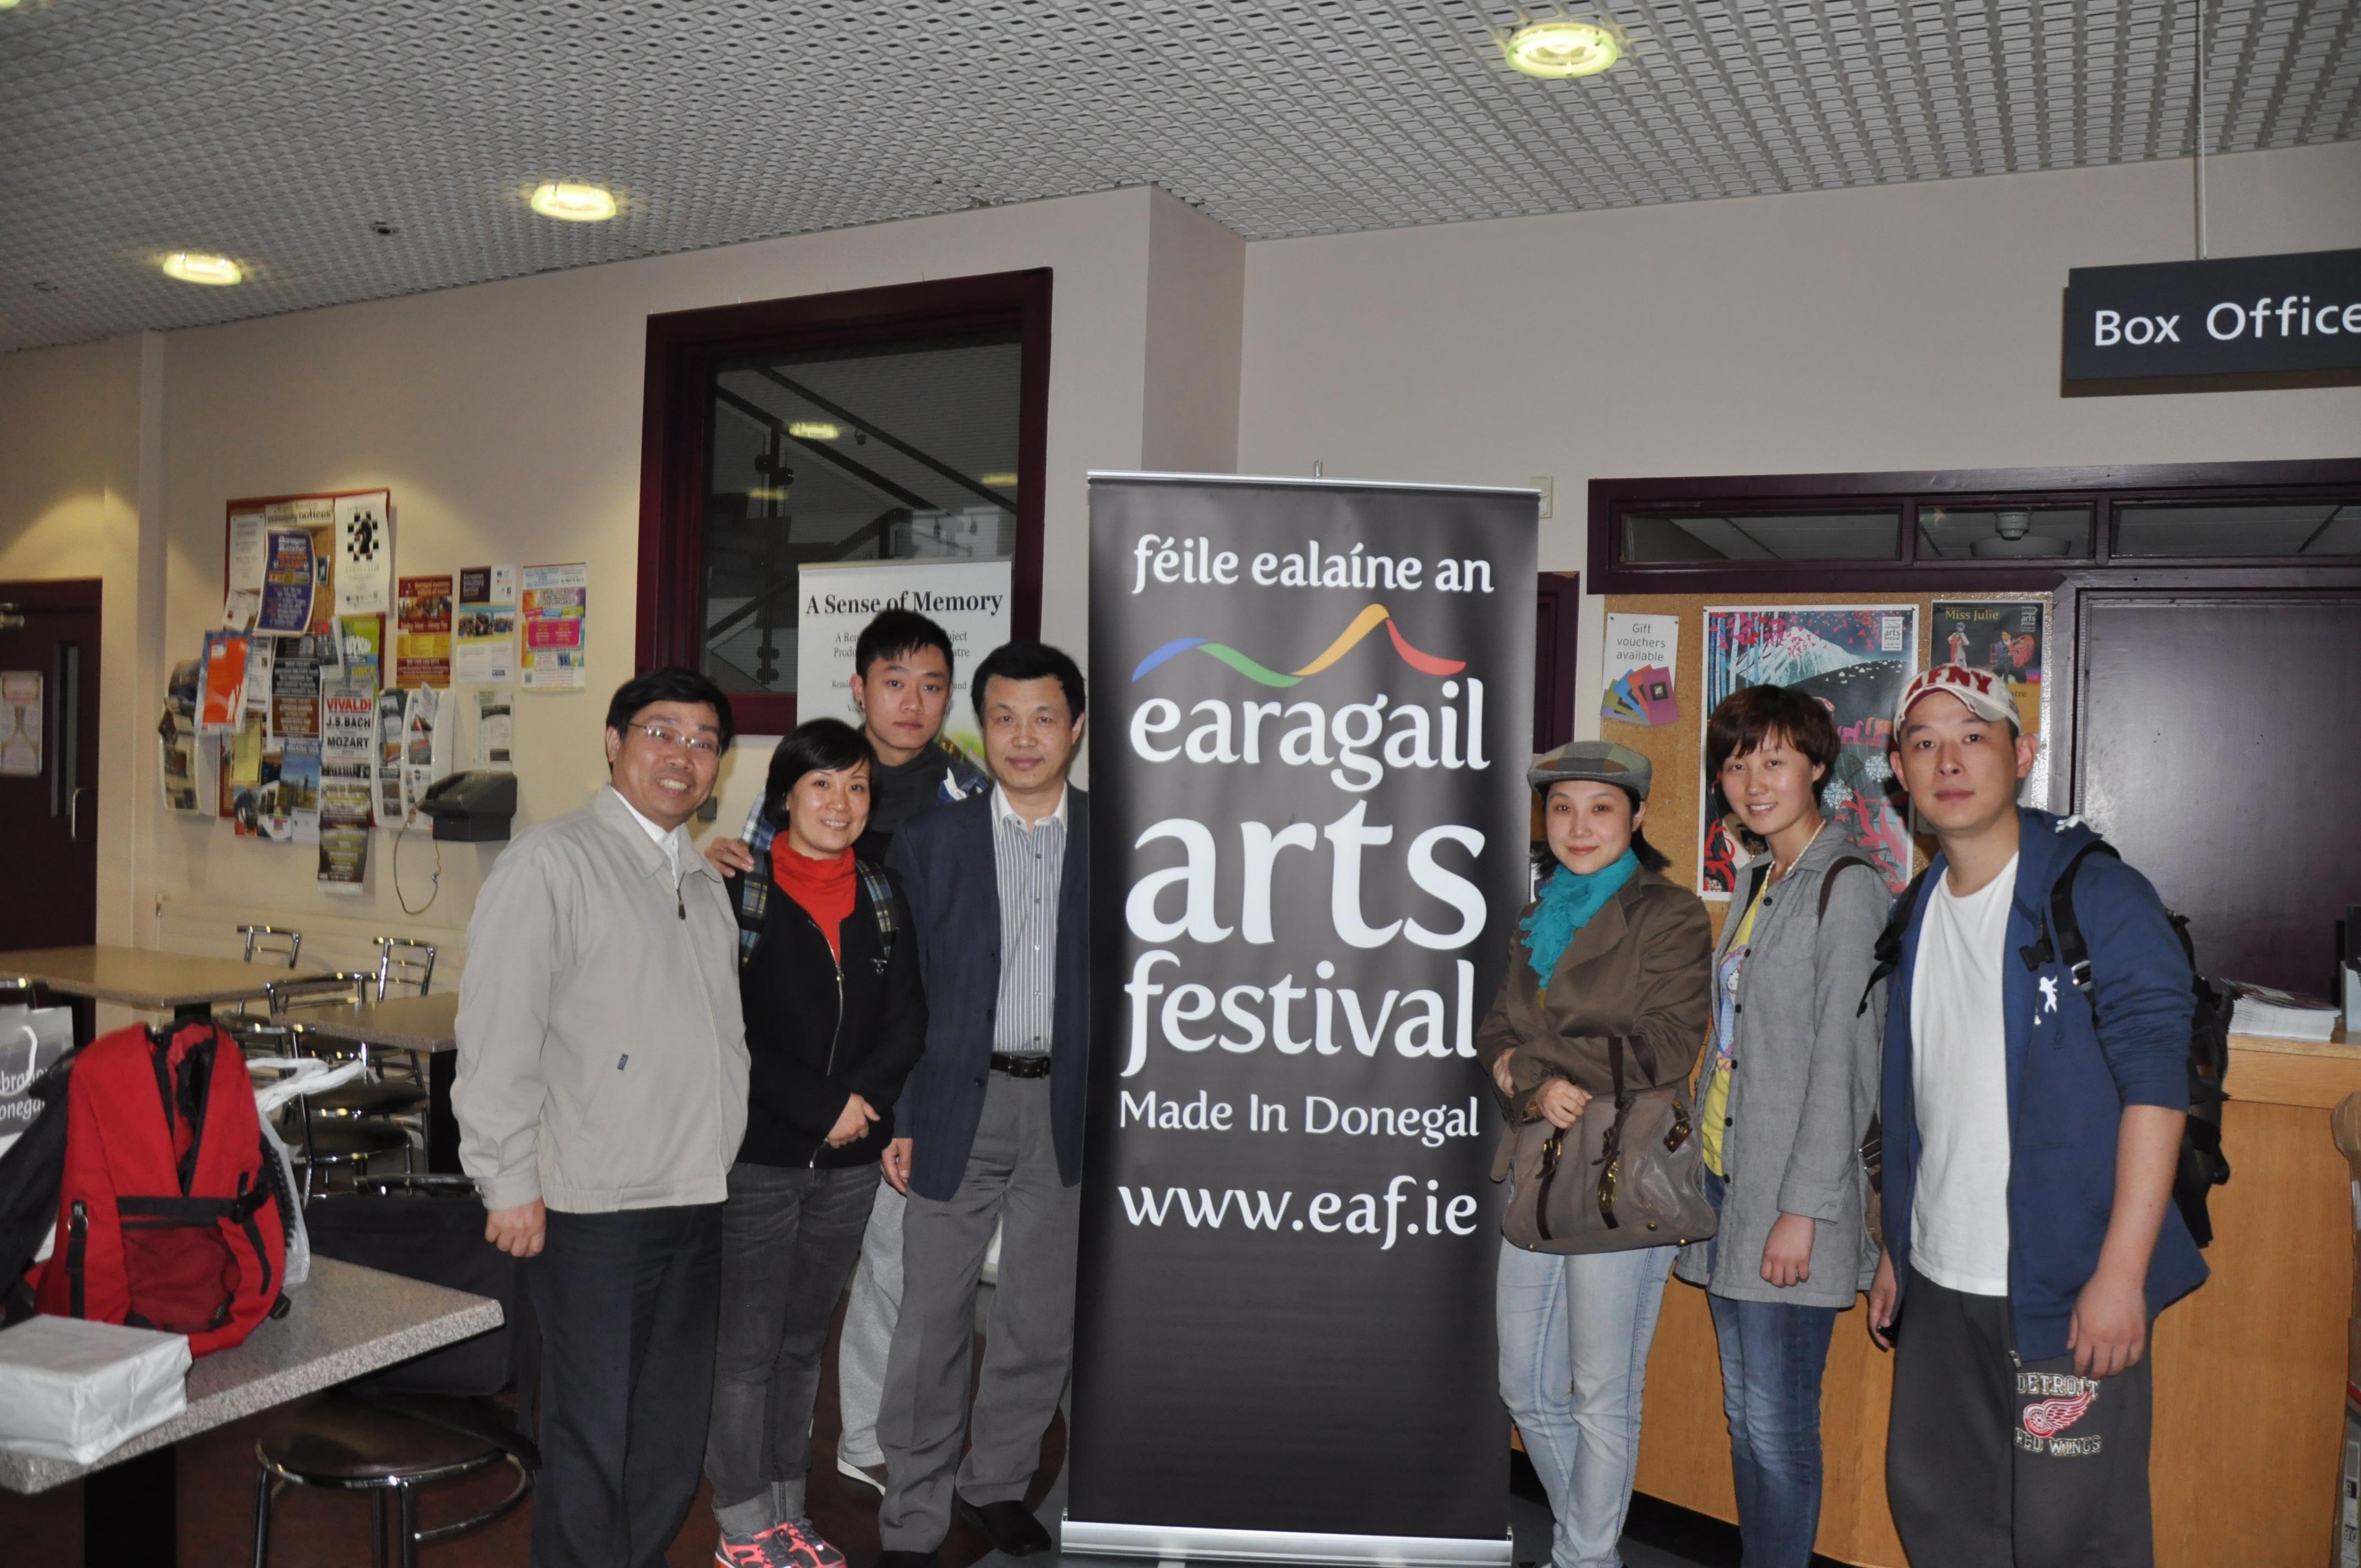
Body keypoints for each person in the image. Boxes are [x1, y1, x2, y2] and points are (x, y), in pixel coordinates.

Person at [1868, 664, 2205, 1568]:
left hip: (2068, 1285)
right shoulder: (1917, 909)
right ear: (1899, 771)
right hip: (1941, 1279)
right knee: (1942, 1515)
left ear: (2024, 755)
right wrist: (1897, 1243)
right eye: (1924, 742)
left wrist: (2121, 1274)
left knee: (2072, 1536)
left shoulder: (2098, 896)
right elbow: (1918, 1097)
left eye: (1974, 737)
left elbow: (2158, 1088)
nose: (1949, 761)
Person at [455, 668, 748, 1568]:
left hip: (694, 1194)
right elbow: (498, 1033)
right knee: (591, 1435)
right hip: (594, 1207)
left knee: (667, 1433)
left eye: (704, 742)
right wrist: (506, 1178)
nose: (683, 756)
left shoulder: (702, 880)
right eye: (662, 733)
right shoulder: (551, 863)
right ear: (615, 743)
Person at [704, 608, 987, 1495]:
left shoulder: (969, 793)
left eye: (932, 685)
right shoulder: (800, 792)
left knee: (895, 1275)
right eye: (895, 682)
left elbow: (941, 973)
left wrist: (876, 1097)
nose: (913, 702)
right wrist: (709, 866)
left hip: (909, 1074)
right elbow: (741, 969)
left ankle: (863, 1438)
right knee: (761, 1330)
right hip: (782, 1111)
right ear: (861, 687)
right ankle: (758, 1493)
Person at [873, 641, 1090, 1568]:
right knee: (931, 1320)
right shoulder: (933, 841)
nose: (1023, 737)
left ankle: (996, 1481)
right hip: (955, 1104)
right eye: (1004, 717)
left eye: (1044, 717)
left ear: (1076, 729)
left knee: (1039, 1318)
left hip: (1068, 1111)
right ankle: (912, 1509)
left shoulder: (1120, 841)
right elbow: (904, 993)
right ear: (983, 727)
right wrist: (903, 1116)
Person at [1477, 741, 1713, 1568]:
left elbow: (1667, 1047)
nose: (1579, 826)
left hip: (1623, 1171)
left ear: (1637, 817)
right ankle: (1594, 1554)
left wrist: (1540, 1065)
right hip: (1541, 1165)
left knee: (1601, 1395)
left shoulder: (1671, 914)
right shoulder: (1534, 917)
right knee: (1524, 1387)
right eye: (1563, 808)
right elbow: (1495, 1035)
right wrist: (1531, 1087)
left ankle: (1580, 1558)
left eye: (1601, 808)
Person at [704, 719, 927, 1568]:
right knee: (746, 1353)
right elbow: (724, 1028)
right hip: (758, 1159)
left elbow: (909, 1016)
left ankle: (787, 1510)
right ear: (785, 798)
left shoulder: (883, 893)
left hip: (849, 1164)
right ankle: (741, 1525)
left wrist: (861, 1107)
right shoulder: (739, 892)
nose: (841, 802)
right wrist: (822, 1106)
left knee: (803, 1344)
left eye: (857, 786)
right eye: (822, 784)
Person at [1672, 687, 1886, 1568]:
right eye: (1736, 763)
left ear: (1818, 766)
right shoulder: (1760, 879)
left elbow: (1845, 1062)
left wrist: (1804, 1210)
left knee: (1779, 1425)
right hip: (1731, 1181)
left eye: (1774, 760)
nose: (1754, 782)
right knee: (1746, 1417)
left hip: (1791, 1201)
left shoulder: (1848, 885)